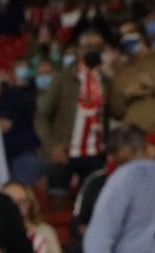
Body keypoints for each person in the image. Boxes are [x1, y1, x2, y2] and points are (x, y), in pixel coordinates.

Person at [38, 22, 115, 189]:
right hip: (64, 151)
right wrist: (52, 146)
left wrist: (112, 77)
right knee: (58, 203)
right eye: (88, 46)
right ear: (78, 49)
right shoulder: (63, 78)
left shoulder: (106, 80)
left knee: (92, 203)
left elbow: (118, 111)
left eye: (97, 46)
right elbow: (42, 114)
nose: (93, 50)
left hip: (95, 153)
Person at [4, 181, 65, 253]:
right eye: (9, 202)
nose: (14, 208)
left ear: (29, 204)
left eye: (21, 203)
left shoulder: (43, 235)